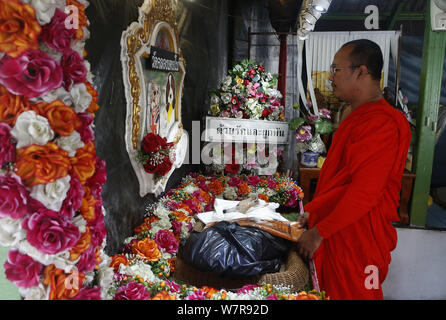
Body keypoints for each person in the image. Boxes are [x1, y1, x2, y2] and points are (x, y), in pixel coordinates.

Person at [296, 39, 411, 300]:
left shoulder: (382, 123)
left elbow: (364, 193)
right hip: (340, 231)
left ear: (361, 72)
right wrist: (314, 213)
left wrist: (320, 232)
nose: (331, 77)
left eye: (336, 70)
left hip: (359, 239)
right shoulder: (354, 114)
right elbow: (340, 180)